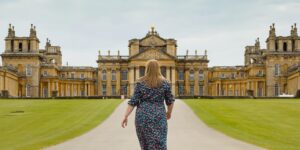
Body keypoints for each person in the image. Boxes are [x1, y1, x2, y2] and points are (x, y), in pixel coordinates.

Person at [121, 59, 175, 150]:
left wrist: (125, 116)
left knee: (145, 145)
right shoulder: (165, 83)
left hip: (142, 116)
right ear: (158, 68)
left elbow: (133, 101)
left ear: (147, 68)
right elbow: (170, 101)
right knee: (160, 143)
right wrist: (169, 113)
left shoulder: (140, 83)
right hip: (159, 116)